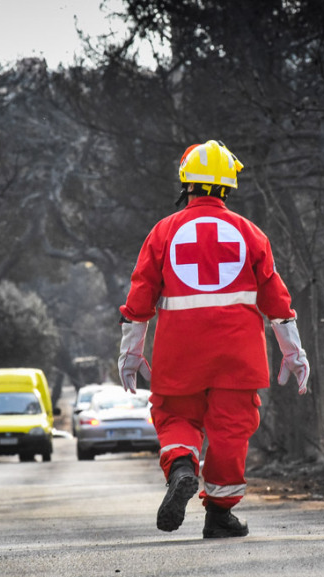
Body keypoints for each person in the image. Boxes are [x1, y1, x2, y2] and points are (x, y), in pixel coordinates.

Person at [118, 140, 310, 539]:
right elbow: (277, 299)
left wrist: (130, 354)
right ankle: (220, 516)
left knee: (175, 417)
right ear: (227, 185)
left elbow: (140, 297)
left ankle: (183, 465)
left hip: (179, 353)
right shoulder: (250, 233)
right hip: (238, 355)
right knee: (230, 430)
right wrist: (294, 353)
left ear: (186, 183)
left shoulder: (163, 231)